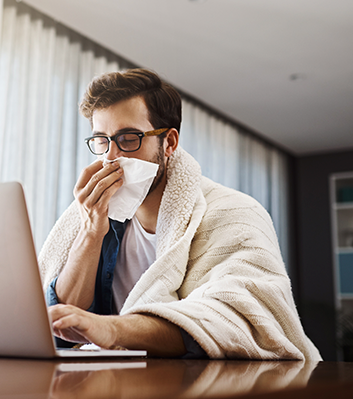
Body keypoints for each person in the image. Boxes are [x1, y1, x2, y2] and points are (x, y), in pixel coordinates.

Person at [39, 68, 321, 360]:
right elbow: (62, 322)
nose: (111, 156)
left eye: (128, 138)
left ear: (169, 142)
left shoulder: (235, 213)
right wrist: (91, 231)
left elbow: (235, 315)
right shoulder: (95, 214)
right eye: (102, 140)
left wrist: (113, 330)